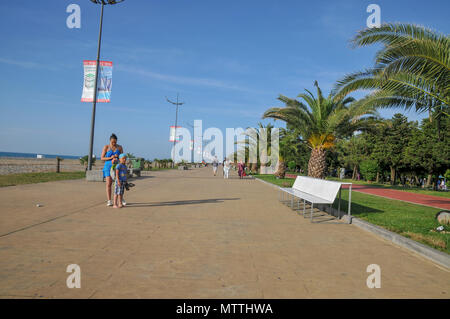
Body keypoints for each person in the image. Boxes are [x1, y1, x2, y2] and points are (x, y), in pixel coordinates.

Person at [101, 133, 125, 207]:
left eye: (115, 142)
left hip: (117, 167)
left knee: (119, 183)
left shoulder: (120, 147)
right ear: (110, 141)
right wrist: (111, 157)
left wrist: (118, 157)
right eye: (112, 142)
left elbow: (123, 157)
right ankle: (109, 200)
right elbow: (102, 158)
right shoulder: (106, 147)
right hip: (108, 167)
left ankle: (121, 199)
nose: (114, 143)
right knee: (109, 183)